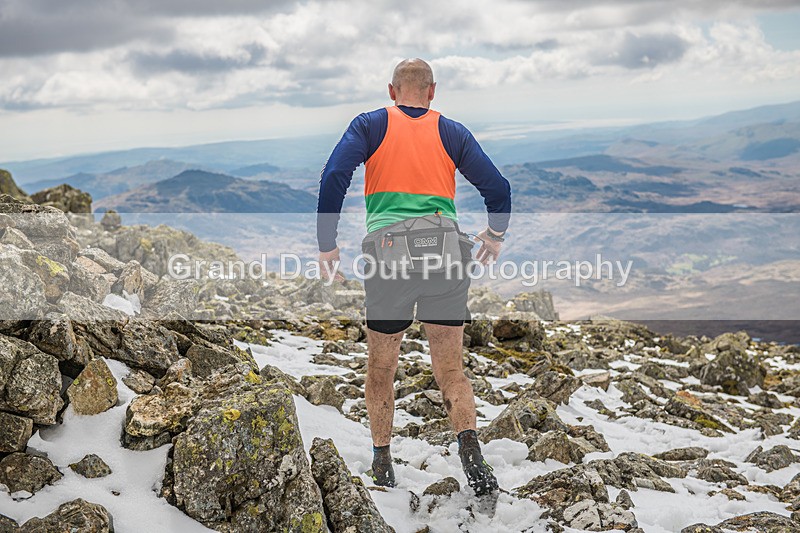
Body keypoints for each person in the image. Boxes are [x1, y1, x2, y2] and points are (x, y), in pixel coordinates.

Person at [316, 58, 511, 496]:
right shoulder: (451, 131)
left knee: (382, 367)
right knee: (451, 369)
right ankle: (473, 458)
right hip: (447, 255)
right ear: (432, 91)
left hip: (389, 260)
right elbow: (498, 188)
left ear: (391, 91)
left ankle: (382, 465)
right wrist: (495, 235)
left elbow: (334, 177)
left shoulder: (369, 125)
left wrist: (327, 242)